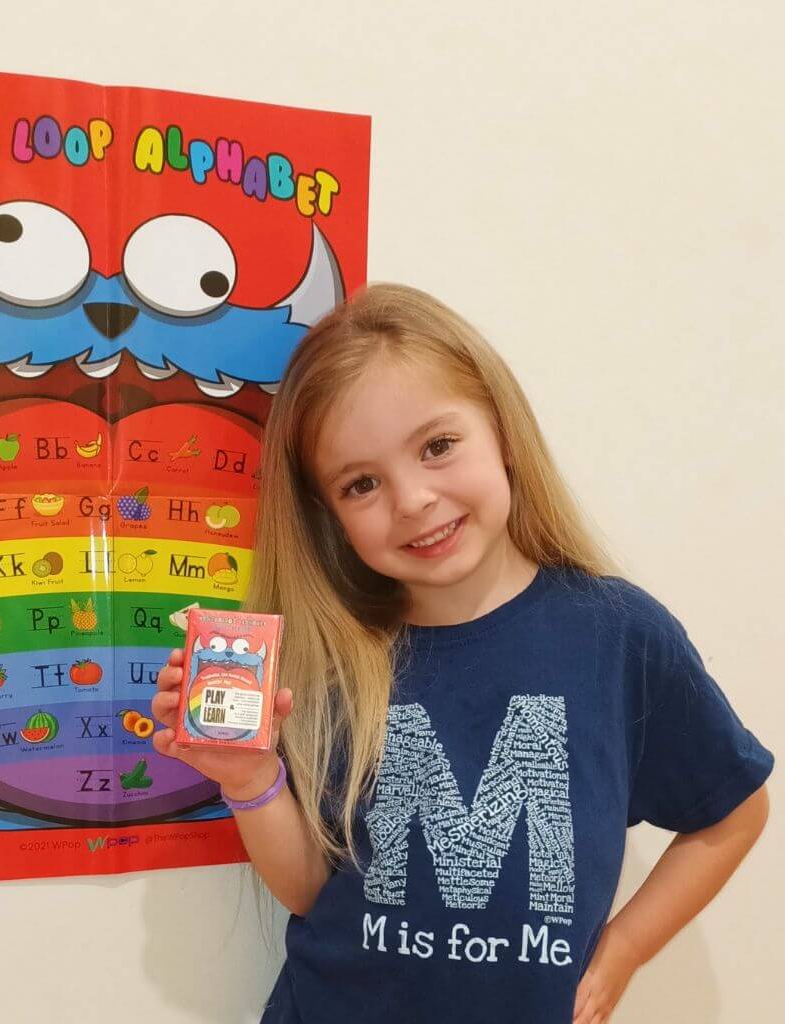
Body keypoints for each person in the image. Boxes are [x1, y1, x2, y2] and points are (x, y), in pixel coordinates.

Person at [149, 283, 774, 1023]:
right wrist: (250, 778)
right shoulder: (331, 655)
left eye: (438, 446)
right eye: (361, 484)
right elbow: (316, 893)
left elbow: (732, 813)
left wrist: (624, 952)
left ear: (503, 432)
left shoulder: (619, 636)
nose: (412, 499)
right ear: (329, 514)